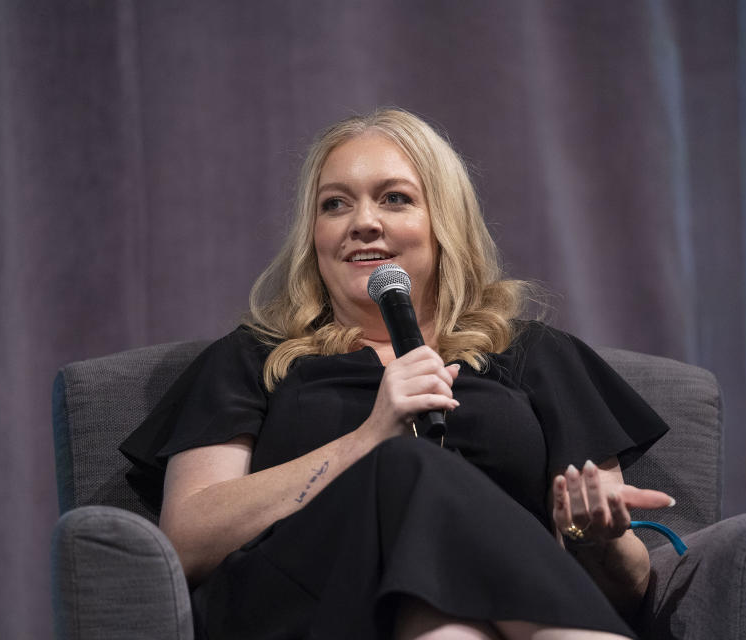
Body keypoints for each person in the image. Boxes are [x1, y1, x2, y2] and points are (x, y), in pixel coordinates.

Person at [121, 108, 673, 640]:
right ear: (313, 236)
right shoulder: (255, 358)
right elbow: (187, 541)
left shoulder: (537, 356)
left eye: (395, 199)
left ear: (443, 223)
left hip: (481, 612)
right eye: (335, 204)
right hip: (301, 609)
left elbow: (628, 583)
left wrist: (592, 538)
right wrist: (367, 441)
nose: (363, 223)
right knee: (410, 463)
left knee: (446, 623)